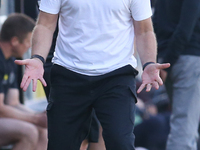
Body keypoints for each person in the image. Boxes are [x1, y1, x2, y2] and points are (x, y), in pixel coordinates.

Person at [15, 0, 170, 149]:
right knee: (61, 144)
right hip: (68, 74)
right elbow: (45, 25)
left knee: (120, 141)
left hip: (116, 75)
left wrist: (149, 63)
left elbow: (144, 31)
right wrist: (37, 58)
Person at [153, 0, 200, 150]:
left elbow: (154, 23)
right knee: (184, 126)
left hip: (167, 60)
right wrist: (167, 62)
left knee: (183, 122)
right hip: (185, 60)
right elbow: (185, 28)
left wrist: (160, 60)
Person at [0, 13, 47, 150]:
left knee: (43, 131)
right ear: (15, 41)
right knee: (29, 132)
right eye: (28, 41)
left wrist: (37, 116)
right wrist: (35, 119)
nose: (29, 47)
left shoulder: (11, 61)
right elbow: (1, 109)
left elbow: (13, 102)